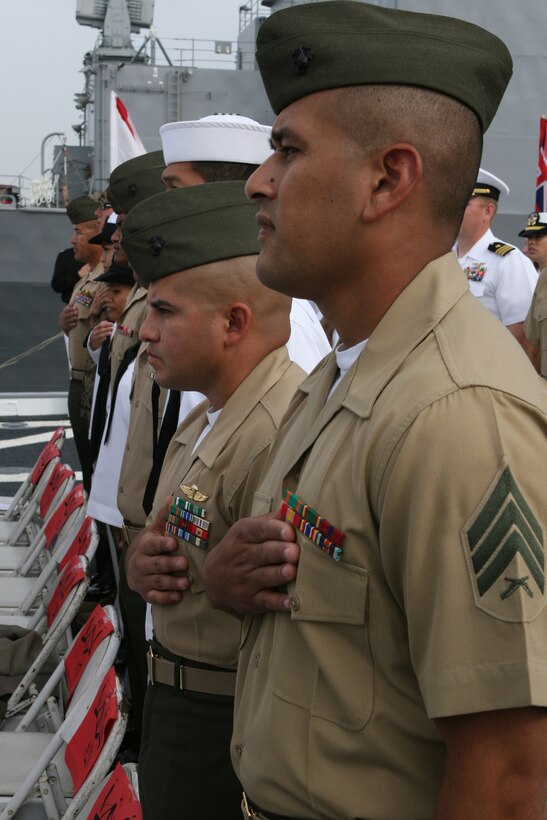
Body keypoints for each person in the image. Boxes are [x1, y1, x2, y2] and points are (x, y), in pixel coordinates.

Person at [179, 3, 546, 818]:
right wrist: (232, 583)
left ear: (387, 179)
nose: (256, 180)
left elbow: (510, 778)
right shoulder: (344, 373)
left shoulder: (456, 415)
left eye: (288, 150)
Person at [122, 181, 305, 820]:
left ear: (234, 322)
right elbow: (177, 535)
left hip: (224, 724)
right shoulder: (211, 415)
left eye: (164, 313)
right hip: (183, 700)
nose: (144, 332)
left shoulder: (280, 430)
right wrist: (142, 560)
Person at [455, 168, 537, 345]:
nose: (454, 208)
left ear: (488, 212)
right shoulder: (443, 256)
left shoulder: (508, 262)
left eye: (464, 203)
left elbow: (522, 335)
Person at [58, 195, 106, 491]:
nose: (73, 239)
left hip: (92, 384)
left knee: (95, 469)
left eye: (79, 232)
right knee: (89, 470)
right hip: (79, 382)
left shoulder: (104, 280)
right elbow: (79, 327)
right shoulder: (86, 278)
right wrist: (65, 327)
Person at [520, 212, 547, 376]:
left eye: (539, 236)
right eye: (529, 237)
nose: (531, 241)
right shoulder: (541, 279)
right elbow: (532, 346)